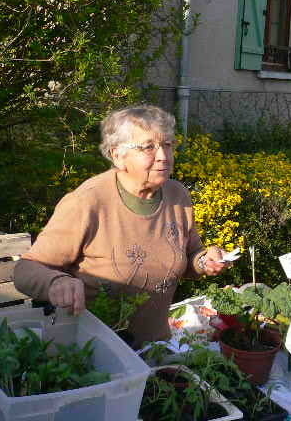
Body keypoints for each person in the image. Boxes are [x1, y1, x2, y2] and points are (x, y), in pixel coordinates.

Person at [14, 105, 230, 348]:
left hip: (154, 347)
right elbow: (25, 269)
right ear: (117, 155)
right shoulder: (88, 202)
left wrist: (205, 260)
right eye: (148, 147)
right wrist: (56, 282)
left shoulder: (177, 195)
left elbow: (190, 255)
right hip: (93, 352)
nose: (163, 156)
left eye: (168, 144)